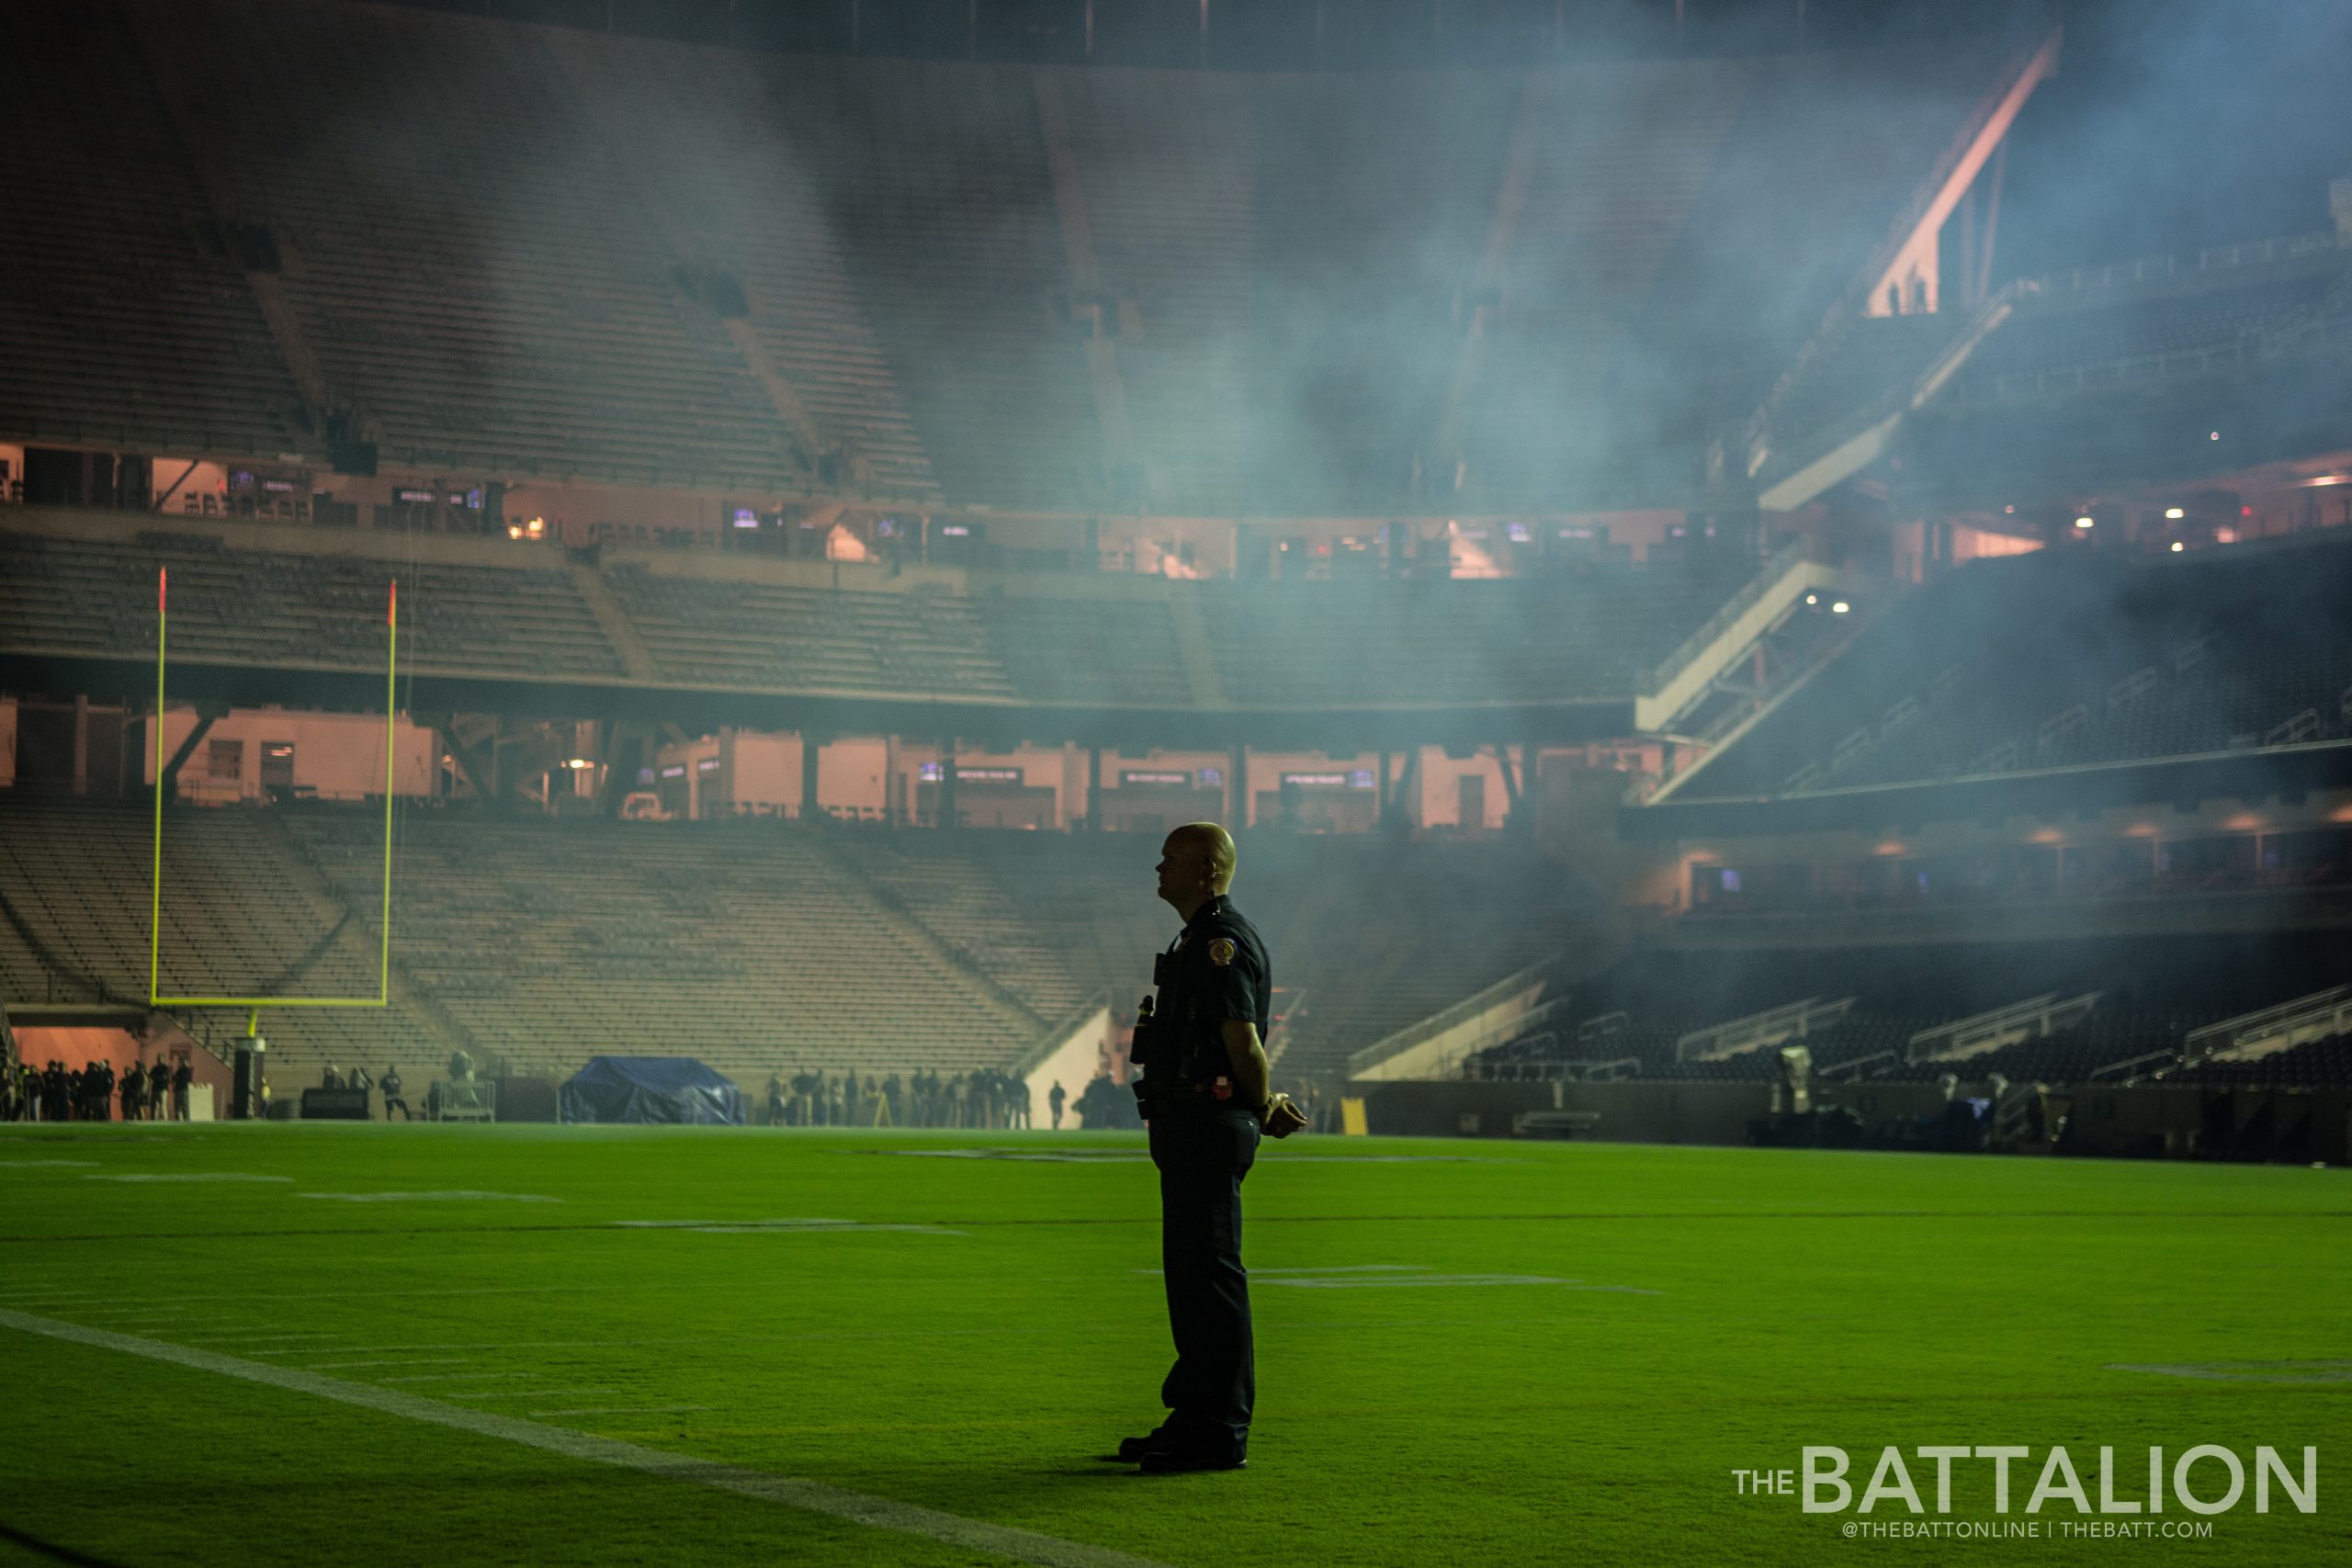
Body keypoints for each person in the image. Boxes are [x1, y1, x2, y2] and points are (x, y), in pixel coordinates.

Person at [1117, 822, 1300, 1475]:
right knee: (1191, 1277)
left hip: (1207, 1122)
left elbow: (1241, 1040)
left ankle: (1219, 1427)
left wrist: (1261, 1101)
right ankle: (1194, 1413)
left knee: (1211, 1277)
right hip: (1188, 1124)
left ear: (1207, 869)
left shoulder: (1219, 941)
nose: (1157, 866)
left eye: (1171, 858)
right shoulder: (1196, 935)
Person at [170, 1058, 192, 1122]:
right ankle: (178, 1121)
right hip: (178, 1090)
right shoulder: (179, 1070)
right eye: (182, 1061)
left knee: (184, 1107)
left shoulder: (188, 1070)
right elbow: (174, 1078)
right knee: (177, 1107)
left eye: (184, 1061)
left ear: (188, 1062)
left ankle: (186, 1122)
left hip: (184, 1090)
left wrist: (177, 1078)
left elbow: (183, 1079)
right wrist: (172, 1072)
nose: (183, 1063)